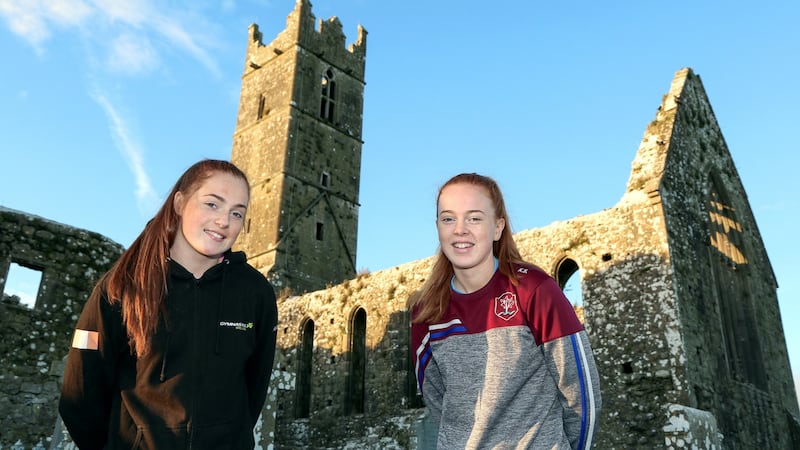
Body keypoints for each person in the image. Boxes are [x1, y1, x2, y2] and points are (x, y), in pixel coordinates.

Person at [59, 159, 278, 450]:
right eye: (212, 204)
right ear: (179, 202)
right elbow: (80, 396)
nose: (224, 221)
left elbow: (255, 387)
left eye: (237, 213)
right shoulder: (123, 285)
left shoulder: (255, 292)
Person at [409, 173, 601, 449]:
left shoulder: (534, 290)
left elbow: (582, 397)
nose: (460, 229)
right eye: (448, 218)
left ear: (498, 227)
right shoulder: (426, 313)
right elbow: (439, 403)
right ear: (438, 227)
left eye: (474, 218)